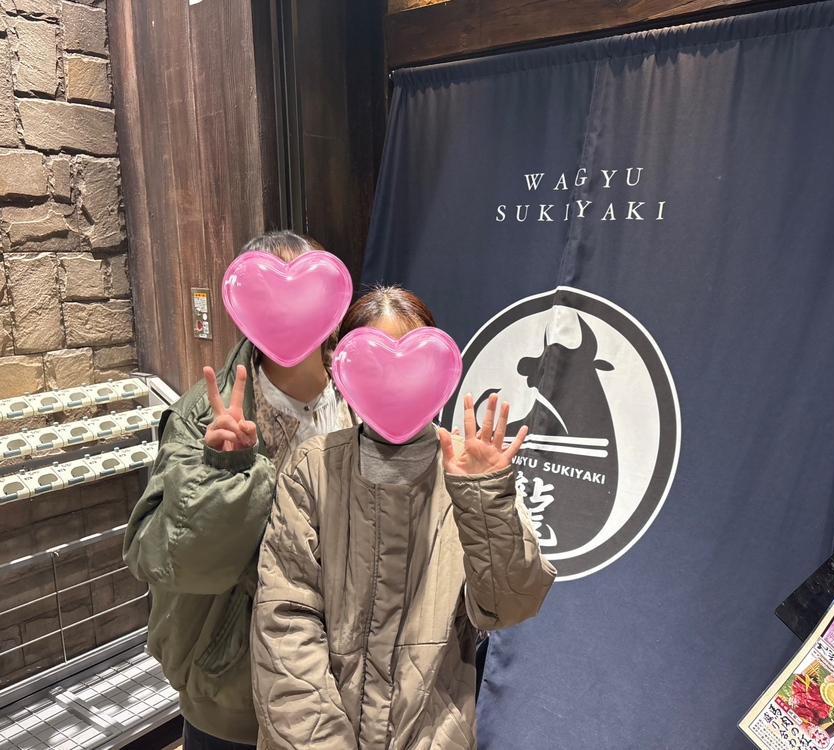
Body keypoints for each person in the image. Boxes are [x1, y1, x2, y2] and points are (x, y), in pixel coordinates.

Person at [250, 286, 557, 750]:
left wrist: (484, 500)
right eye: (371, 367)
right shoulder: (312, 468)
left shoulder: (466, 473)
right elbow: (285, 621)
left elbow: (509, 605)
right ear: (343, 374)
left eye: (413, 366)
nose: (393, 383)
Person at [123, 231, 355, 750]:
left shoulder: (367, 399)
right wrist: (223, 474)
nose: (292, 312)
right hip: (234, 694)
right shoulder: (200, 417)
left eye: (309, 295)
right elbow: (163, 559)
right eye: (271, 297)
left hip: (349, 683)